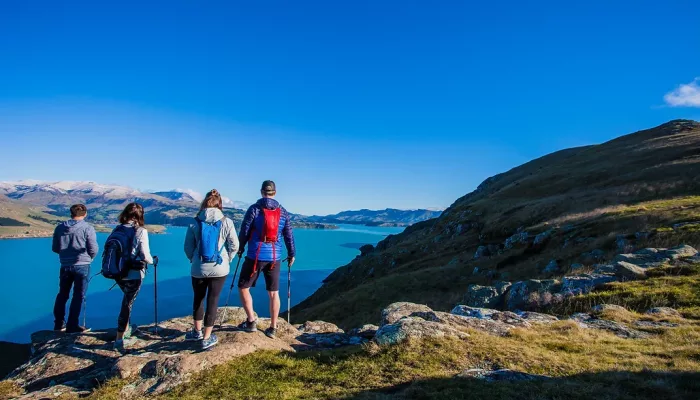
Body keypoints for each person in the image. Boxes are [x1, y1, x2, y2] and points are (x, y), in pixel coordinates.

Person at [237, 180, 295, 338]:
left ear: (262, 192)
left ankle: (251, 322)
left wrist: (240, 248)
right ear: (274, 193)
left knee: (243, 287)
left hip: (255, 256)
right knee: (274, 293)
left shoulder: (254, 209)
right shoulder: (283, 212)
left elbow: (245, 230)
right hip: (274, 258)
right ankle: (273, 327)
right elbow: (288, 235)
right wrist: (291, 254)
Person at [184, 189, 239, 349]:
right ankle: (207, 338)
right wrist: (227, 259)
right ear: (220, 204)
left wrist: (193, 259)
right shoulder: (227, 221)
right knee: (213, 300)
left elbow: (188, 246)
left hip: (198, 267)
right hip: (219, 269)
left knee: (198, 298)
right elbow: (235, 245)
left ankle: (197, 331)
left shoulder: (194, 222)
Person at [112, 202, 154, 350]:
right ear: (140, 215)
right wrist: (152, 260)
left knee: (126, 301)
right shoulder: (140, 231)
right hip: (133, 273)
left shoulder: (118, 229)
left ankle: (126, 329)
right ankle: (120, 338)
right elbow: (144, 254)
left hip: (118, 272)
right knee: (127, 304)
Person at [52, 204, 98, 333]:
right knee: (78, 295)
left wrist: (66, 255)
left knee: (62, 294)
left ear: (71, 213)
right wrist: (90, 258)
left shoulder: (60, 228)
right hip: (82, 265)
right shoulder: (87, 228)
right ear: (85, 213)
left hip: (65, 265)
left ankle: (59, 324)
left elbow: (55, 248)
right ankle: (72, 325)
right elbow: (93, 248)